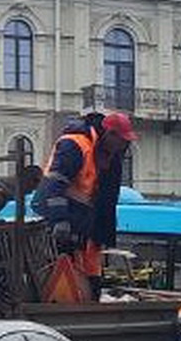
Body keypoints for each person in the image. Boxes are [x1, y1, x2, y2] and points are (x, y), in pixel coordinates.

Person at [31, 111, 136, 298]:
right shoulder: (75, 144)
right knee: (65, 278)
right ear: (109, 134)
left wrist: (104, 234)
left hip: (85, 227)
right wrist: (60, 220)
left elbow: (106, 201)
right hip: (62, 223)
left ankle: (88, 304)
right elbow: (55, 184)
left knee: (90, 279)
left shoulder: (110, 156)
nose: (124, 146)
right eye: (122, 140)